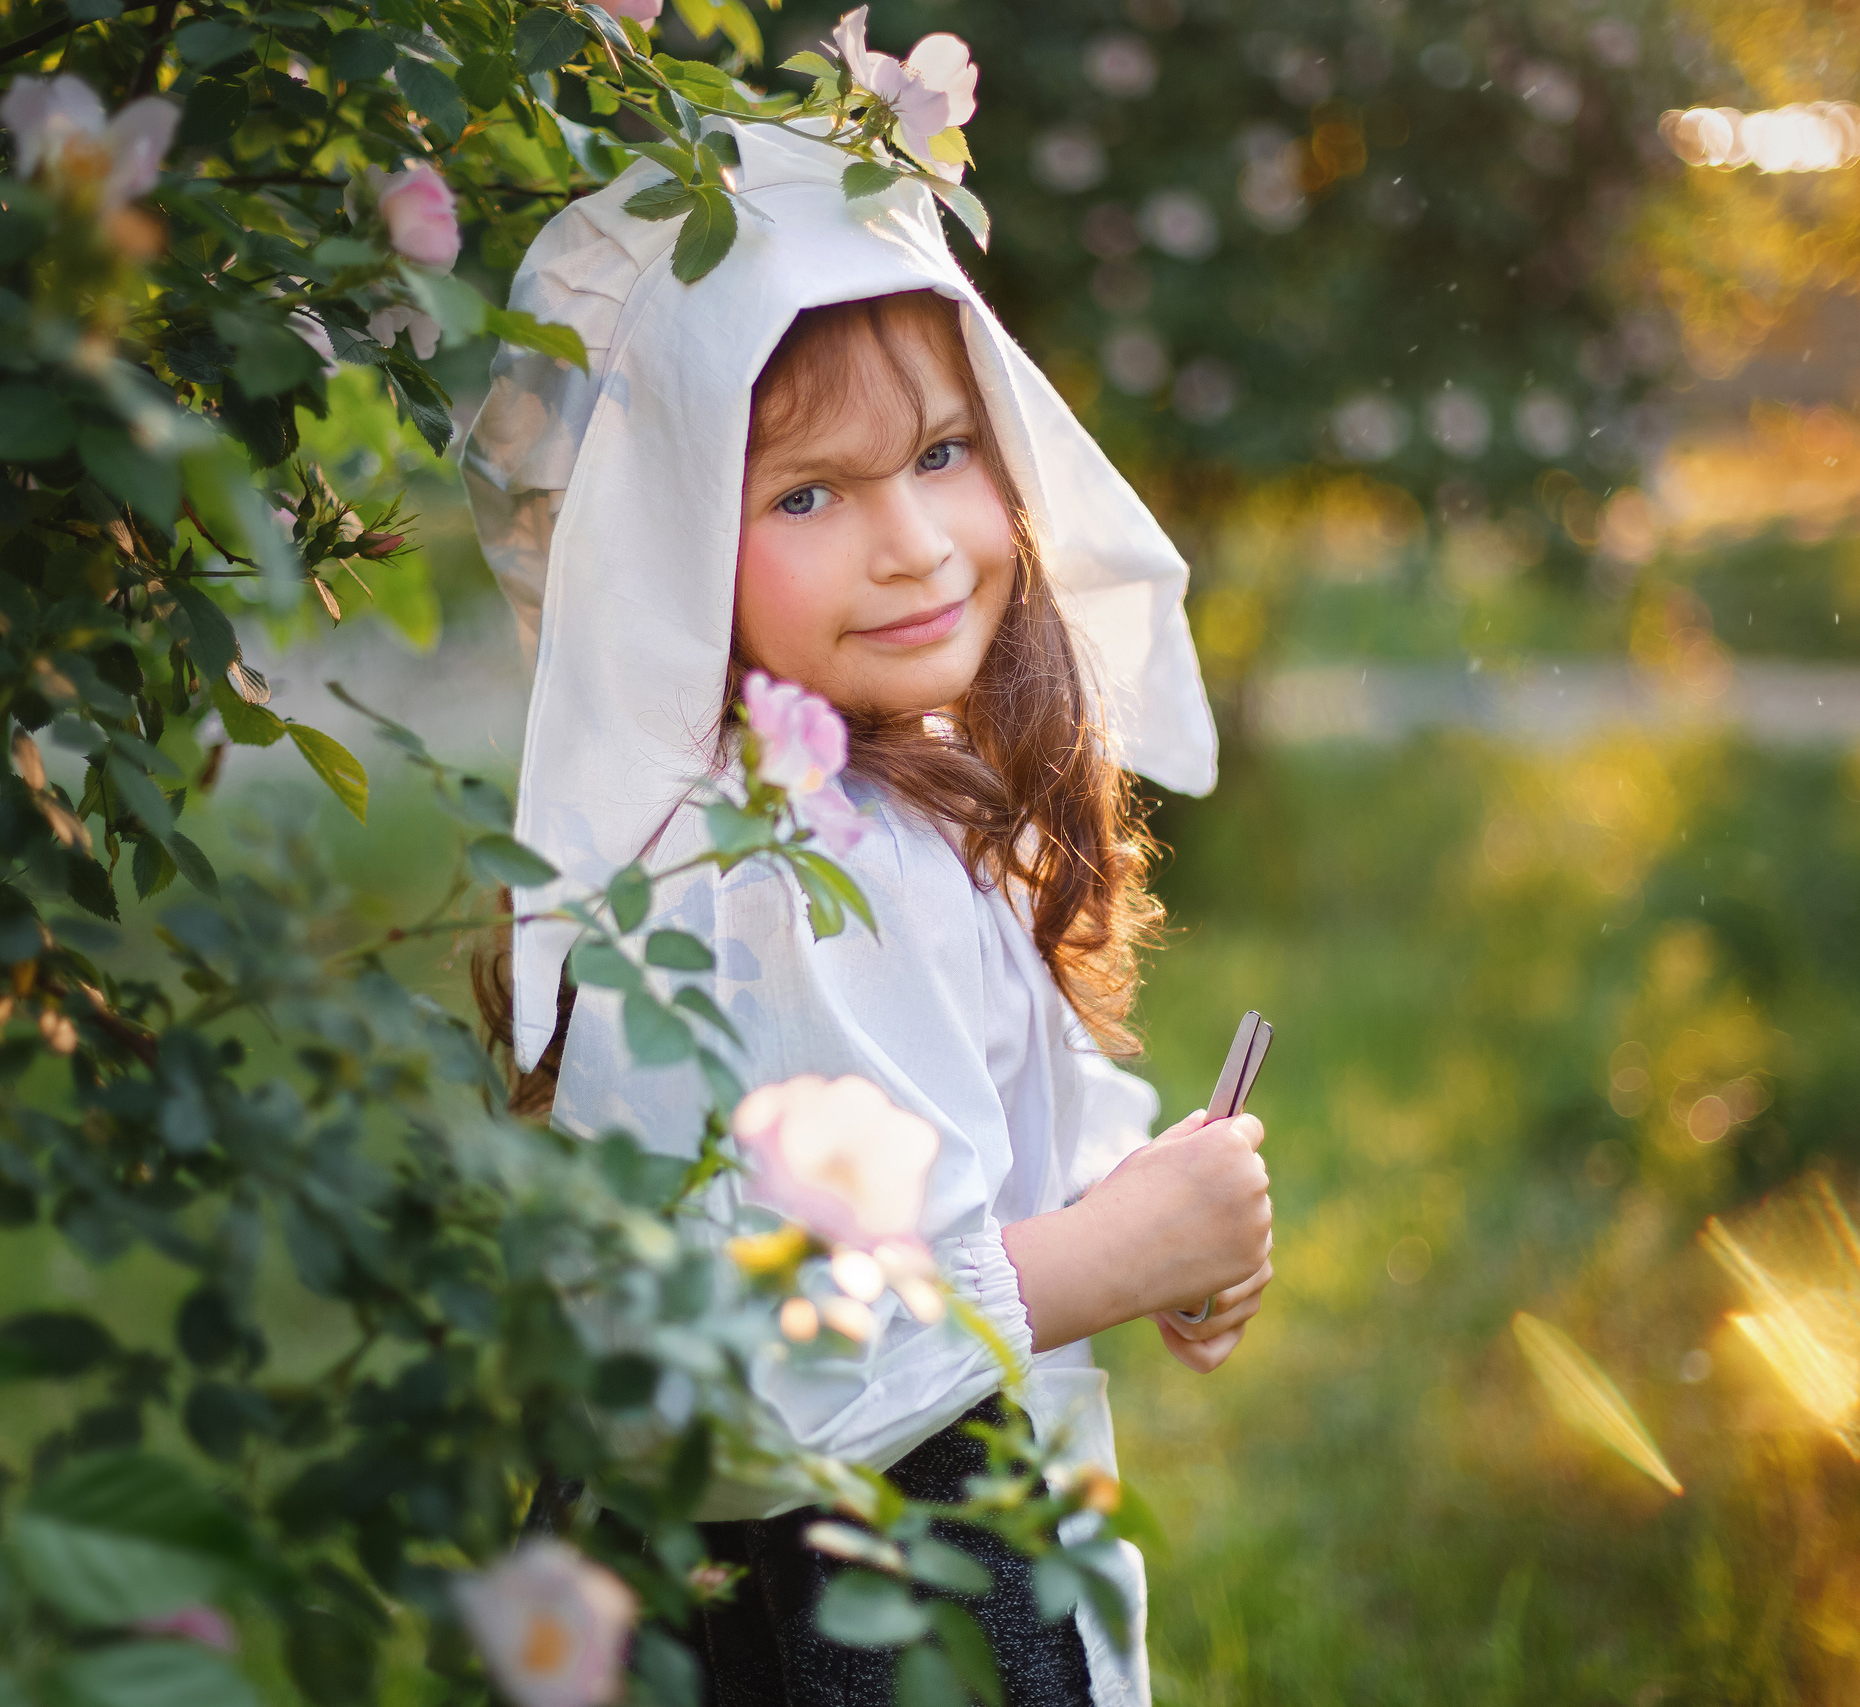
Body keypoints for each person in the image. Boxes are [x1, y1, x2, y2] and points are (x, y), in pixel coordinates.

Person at [460, 115, 1272, 1707]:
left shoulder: (892, 801)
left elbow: (966, 1108)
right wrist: (1104, 1257)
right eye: (811, 496)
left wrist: (1156, 1208)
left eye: (943, 455)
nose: (912, 547)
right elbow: (757, 1380)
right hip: (821, 1595)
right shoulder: (754, 878)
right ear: (670, 535)